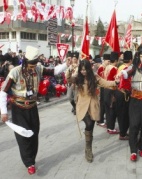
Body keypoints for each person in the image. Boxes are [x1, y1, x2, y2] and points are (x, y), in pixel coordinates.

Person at [0, 46, 70, 175]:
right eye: (31, 64)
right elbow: (3, 92)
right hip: (18, 108)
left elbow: (53, 71)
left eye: (35, 63)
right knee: (23, 135)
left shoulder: (39, 68)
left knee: (34, 133)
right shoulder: (15, 72)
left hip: (32, 107)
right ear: (26, 61)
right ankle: (29, 163)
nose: (33, 66)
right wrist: (3, 112)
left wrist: (66, 64)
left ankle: (32, 158)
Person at [75, 60, 119, 163]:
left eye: (85, 69)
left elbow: (105, 83)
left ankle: (88, 147)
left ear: (89, 69)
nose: (83, 71)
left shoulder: (94, 77)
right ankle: (88, 148)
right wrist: (69, 70)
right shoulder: (78, 78)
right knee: (88, 123)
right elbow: (69, 79)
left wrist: (115, 82)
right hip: (82, 105)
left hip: (93, 105)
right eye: (81, 69)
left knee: (91, 126)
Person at [114, 51, 132, 140]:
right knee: (124, 115)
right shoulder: (127, 69)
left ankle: (123, 132)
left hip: (119, 92)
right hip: (124, 94)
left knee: (121, 114)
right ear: (131, 60)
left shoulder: (120, 66)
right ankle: (123, 133)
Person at [103, 52, 119, 134]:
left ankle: (109, 127)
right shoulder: (114, 69)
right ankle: (111, 128)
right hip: (111, 90)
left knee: (107, 109)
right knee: (112, 109)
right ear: (116, 60)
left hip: (106, 89)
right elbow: (116, 80)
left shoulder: (107, 67)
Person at [96, 54, 110, 127]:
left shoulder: (106, 67)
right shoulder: (101, 68)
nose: (109, 62)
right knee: (102, 105)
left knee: (103, 104)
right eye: (108, 61)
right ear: (104, 60)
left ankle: (101, 119)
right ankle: (100, 120)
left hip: (105, 87)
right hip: (101, 88)